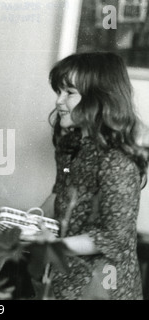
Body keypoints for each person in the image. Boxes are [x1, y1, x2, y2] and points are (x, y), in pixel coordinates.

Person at [26, 52, 148, 300]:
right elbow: (61, 192)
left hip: (103, 283)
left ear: (99, 98)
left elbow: (115, 238)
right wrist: (29, 223)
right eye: (58, 92)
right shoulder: (70, 144)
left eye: (69, 93)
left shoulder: (117, 160)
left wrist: (54, 247)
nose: (59, 101)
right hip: (66, 273)